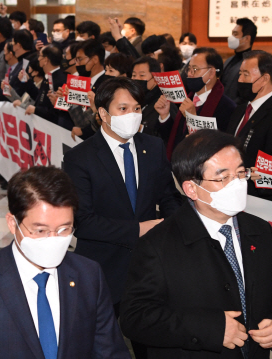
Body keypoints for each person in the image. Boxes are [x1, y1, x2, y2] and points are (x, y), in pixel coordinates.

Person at [120, 129, 272, 358]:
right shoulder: (157, 245)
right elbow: (135, 317)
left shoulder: (259, 230)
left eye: (239, 173)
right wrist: (209, 329)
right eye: (222, 177)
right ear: (191, 189)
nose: (236, 184)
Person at [0, 166, 131, 359]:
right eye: (40, 230)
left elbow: (110, 351)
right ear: (13, 223)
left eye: (64, 229)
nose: (53, 239)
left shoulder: (88, 275)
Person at [63, 77, 183, 358]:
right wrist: (138, 229)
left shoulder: (152, 147)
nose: (132, 116)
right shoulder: (80, 158)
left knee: (151, 343)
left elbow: (167, 196)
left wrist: (174, 227)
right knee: (98, 344)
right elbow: (84, 222)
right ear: (103, 114)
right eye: (123, 108)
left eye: (137, 108)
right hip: (102, 266)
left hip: (149, 266)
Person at [227, 50, 272, 202]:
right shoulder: (239, 110)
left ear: (264, 78)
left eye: (246, 74)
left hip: (256, 201)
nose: (240, 79)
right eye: (240, 74)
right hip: (230, 193)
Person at [156, 47, 236, 160]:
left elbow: (218, 148)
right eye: (189, 69)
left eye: (195, 69)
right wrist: (165, 116)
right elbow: (174, 138)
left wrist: (193, 118)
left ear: (211, 72)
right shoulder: (187, 98)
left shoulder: (228, 108)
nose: (190, 74)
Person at [132, 56, 177, 137]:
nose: (136, 79)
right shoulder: (133, 99)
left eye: (142, 75)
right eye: (134, 75)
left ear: (156, 79)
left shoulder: (164, 103)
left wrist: (141, 129)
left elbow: (168, 137)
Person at [220, 18, 257, 103]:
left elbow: (246, 95)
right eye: (232, 34)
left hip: (237, 111)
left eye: (235, 34)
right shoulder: (228, 60)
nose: (231, 37)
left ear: (247, 38)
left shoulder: (252, 63)